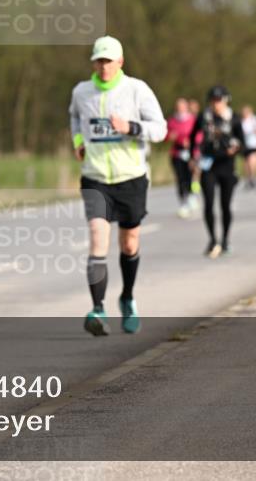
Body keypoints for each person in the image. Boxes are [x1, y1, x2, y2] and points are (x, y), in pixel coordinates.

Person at [69, 35, 166, 336]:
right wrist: (78, 141)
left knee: (129, 244)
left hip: (131, 177)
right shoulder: (81, 92)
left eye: (108, 61)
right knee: (98, 238)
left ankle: (127, 297)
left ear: (120, 62)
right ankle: (98, 309)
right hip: (95, 177)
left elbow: (160, 129)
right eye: (98, 61)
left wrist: (131, 127)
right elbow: (75, 119)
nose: (103, 66)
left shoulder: (137, 90)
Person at [193, 86, 244, 258]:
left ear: (226, 100)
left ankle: (225, 240)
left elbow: (242, 142)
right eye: (213, 100)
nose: (216, 104)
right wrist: (193, 157)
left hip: (227, 166)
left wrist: (235, 149)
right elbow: (193, 136)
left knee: (225, 205)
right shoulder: (204, 117)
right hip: (209, 165)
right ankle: (212, 240)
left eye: (219, 100)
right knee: (208, 204)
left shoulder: (234, 118)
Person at [166, 98, 196, 218]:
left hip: (190, 153)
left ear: (186, 107)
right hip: (177, 153)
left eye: (182, 106)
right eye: (178, 106)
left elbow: (199, 135)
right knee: (180, 178)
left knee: (189, 176)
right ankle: (183, 202)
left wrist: (191, 142)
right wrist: (170, 136)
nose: (180, 108)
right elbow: (165, 135)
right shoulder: (172, 121)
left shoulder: (192, 120)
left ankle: (191, 195)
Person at [239, 105, 256, 189]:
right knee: (246, 163)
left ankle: (254, 177)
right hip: (245, 144)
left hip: (254, 144)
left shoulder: (255, 119)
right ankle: (248, 179)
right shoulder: (241, 121)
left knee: (253, 161)